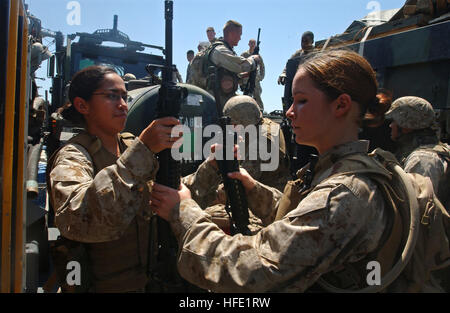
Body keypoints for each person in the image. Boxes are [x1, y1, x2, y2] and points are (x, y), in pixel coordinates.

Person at [149, 49, 447, 293]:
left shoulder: (345, 192)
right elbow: (304, 219)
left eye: (301, 101)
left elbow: (250, 272)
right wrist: (254, 189)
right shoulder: (349, 168)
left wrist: (183, 211)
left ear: (341, 105)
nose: (289, 112)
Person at [47, 65, 181, 292]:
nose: (122, 104)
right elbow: (78, 218)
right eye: (111, 96)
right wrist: (143, 150)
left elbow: (165, 192)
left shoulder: (129, 146)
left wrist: (212, 168)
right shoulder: (74, 155)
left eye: (124, 96)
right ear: (82, 105)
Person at [182, 95, 290, 233]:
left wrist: (204, 193)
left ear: (243, 121)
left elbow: (241, 181)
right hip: (263, 196)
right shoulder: (260, 126)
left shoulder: (262, 142)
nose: (231, 128)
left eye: (233, 124)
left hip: (270, 203)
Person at [386, 96, 449, 208]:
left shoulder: (422, 159)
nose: (391, 125)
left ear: (406, 127)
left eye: (394, 121)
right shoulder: (435, 152)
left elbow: (417, 207)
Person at [206, 20, 260, 108]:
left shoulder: (226, 50)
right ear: (231, 34)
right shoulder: (220, 50)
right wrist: (253, 59)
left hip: (220, 99)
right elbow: (242, 65)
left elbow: (225, 73)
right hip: (216, 102)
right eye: (239, 34)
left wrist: (241, 76)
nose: (240, 38)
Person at [240, 39, 265, 110]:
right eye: (251, 43)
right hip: (246, 78)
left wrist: (260, 77)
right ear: (248, 44)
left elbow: (262, 67)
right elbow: (240, 65)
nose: (252, 45)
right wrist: (241, 79)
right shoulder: (244, 54)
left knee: (257, 95)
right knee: (246, 97)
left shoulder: (258, 56)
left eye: (254, 43)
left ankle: (260, 110)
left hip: (255, 78)